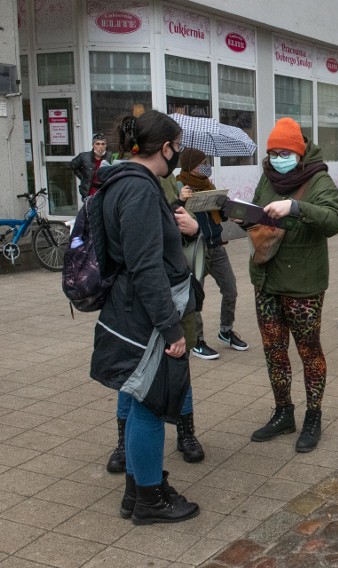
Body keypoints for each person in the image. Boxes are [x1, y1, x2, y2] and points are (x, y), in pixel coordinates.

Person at [90, 110, 200, 524]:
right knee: (151, 406)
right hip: (149, 313)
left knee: (141, 399)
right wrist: (170, 327)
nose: (178, 152)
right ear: (163, 147)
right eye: (177, 145)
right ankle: (150, 501)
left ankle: (137, 492)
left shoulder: (126, 181)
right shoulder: (137, 189)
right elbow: (144, 265)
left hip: (136, 308)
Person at [247, 117, 338, 452]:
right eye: (273, 152)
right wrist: (245, 215)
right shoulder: (267, 177)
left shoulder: (318, 179)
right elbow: (259, 209)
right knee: (274, 352)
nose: (278, 157)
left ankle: (313, 416)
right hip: (267, 279)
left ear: (299, 152)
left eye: (285, 151)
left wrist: (297, 207)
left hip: (303, 284)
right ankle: (283, 412)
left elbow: (334, 220)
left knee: (309, 352)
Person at [105, 173, 207, 474]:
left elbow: (191, 251)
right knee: (131, 370)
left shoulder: (166, 181)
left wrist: (193, 229)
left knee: (178, 368)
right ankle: (124, 442)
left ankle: (186, 432)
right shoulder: (128, 182)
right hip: (135, 298)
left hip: (175, 294)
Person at [175, 148, 248, 359]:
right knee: (195, 296)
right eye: (201, 163)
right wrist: (181, 199)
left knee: (230, 289)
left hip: (216, 245)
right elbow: (173, 215)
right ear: (190, 165)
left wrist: (226, 207)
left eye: (206, 162)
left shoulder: (209, 185)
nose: (205, 166)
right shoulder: (179, 185)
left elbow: (221, 218)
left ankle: (226, 331)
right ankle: (196, 340)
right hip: (195, 248)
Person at [71, 133, 112, 200]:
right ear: (93, 145)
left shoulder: (110, 156)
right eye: (97, 144)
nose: (100, 146)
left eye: (103, 144)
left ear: (106, 145)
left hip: (104, 190)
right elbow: (73, 165)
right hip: (89, 190)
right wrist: (83, 177)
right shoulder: (84, 156)